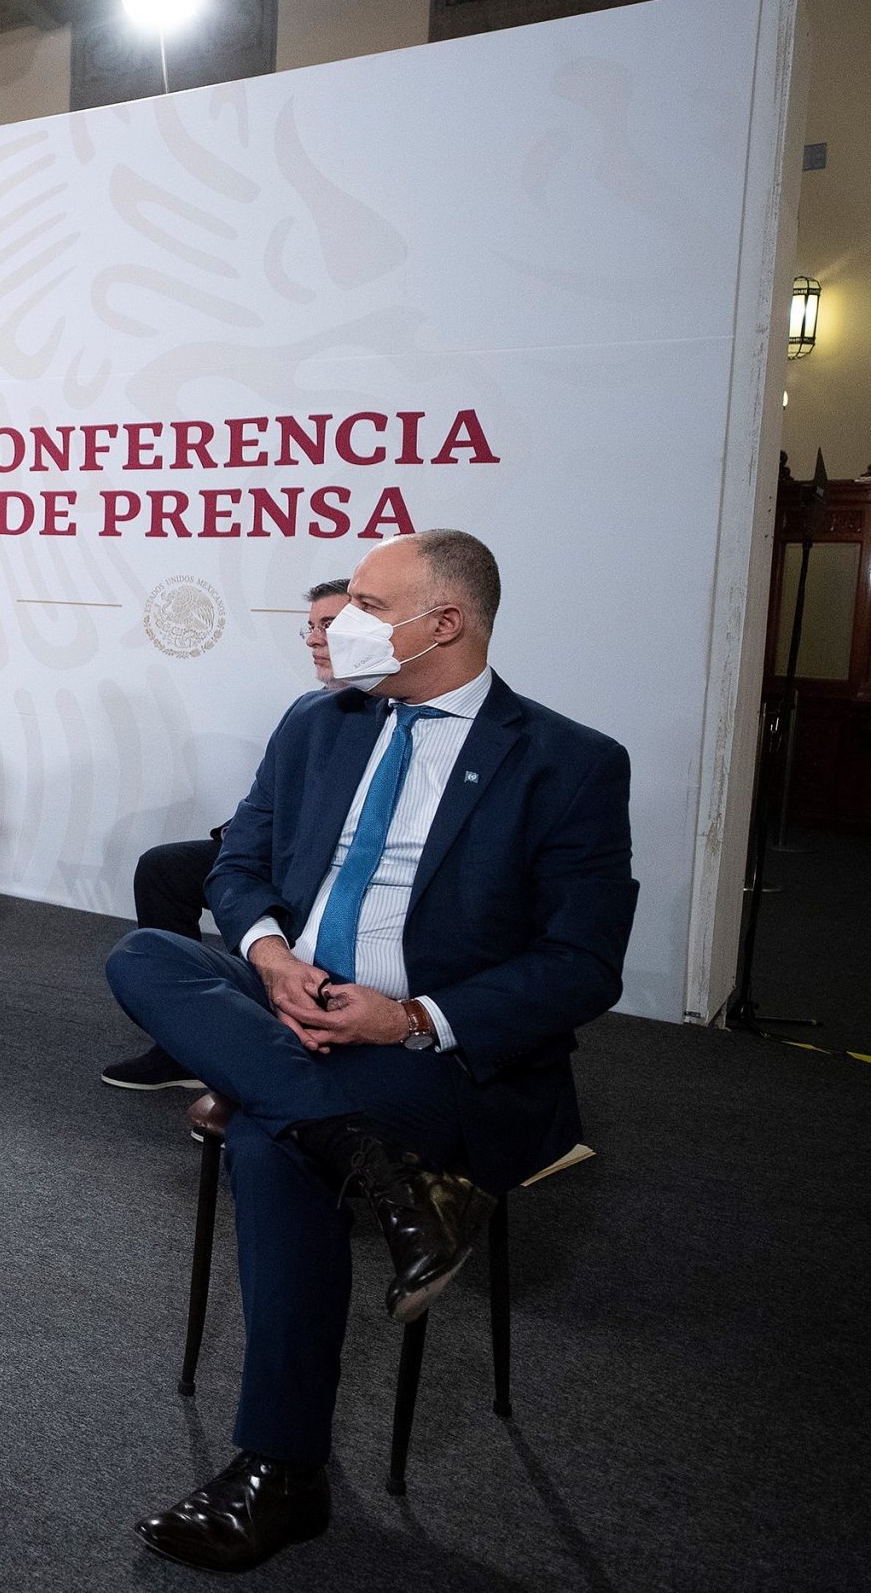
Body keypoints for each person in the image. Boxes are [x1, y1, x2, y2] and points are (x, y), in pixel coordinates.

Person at [103, 530, 635, 1574]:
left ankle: (279, 1470)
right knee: (146, 955)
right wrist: (265, 957)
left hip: (439, 1052)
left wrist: (412, 1017)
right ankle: (380, 1170)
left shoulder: (567, 762)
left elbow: (581, 967)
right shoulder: (317, 723)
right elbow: (237, 863)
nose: (338, 623)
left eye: (364, 602)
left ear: (445, 623)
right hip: (292, 1011)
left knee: (267, 1141)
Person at [102, 578, 351, 1089]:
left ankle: (258, 1044)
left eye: (329, 625)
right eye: (311, 626)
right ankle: (180, 1043)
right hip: (277, 851)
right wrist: (238, 841)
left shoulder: (397, 720)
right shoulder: (309, 710)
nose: (313, 639)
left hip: (322, 870)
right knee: (165, 868)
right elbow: (266, 803)